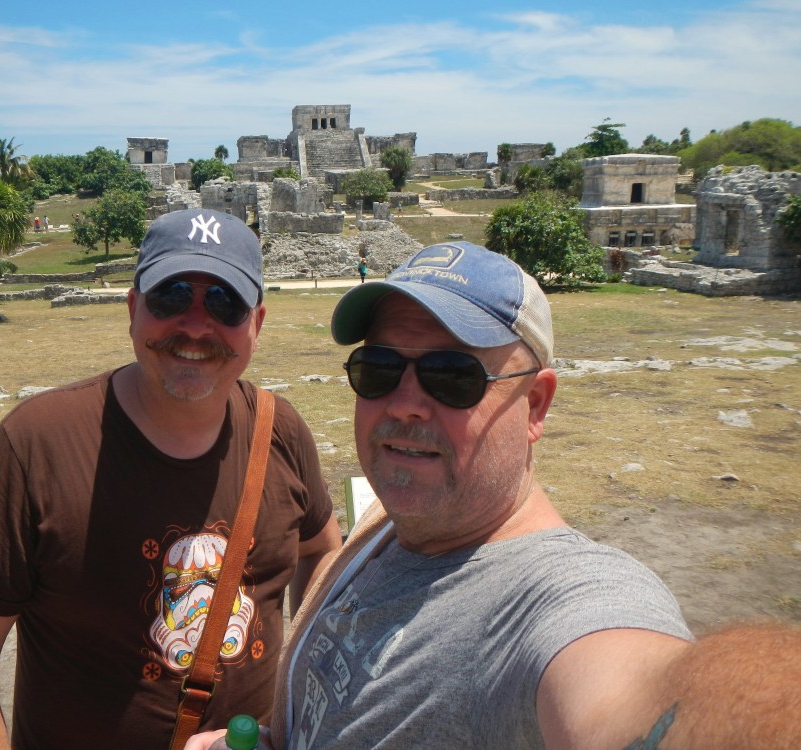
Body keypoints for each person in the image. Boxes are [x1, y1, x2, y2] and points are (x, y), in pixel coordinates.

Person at [188, 241, 801, 750]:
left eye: (452, 376)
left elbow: (641, 697)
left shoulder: (550, 600)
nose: (404, 404)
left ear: (534, 405)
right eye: (379, 368)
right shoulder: (384, 528)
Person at [0, 208, 342, 749]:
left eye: (224, 302)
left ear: (255, 324)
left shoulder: (280, 431)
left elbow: (320, 552)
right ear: (133, 308)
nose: (195, 325)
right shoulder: (38, 444)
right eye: (172, 296)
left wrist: (303, 684)